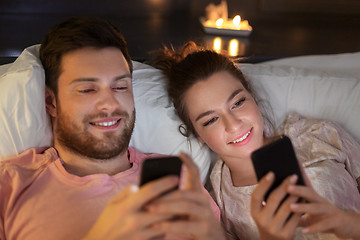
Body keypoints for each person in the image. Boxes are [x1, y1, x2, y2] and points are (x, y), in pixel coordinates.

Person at [0, 17, 226, 240]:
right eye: (87, 89)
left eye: (120, 86)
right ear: (51, 103)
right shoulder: (11, 185)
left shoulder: (179, 180)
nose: (110, 103)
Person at [150, 41, 360, 240]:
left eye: (238, 102)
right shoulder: (219, 206)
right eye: (211, 119)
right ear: (198, 135)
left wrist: (349, 223)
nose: (233, 124)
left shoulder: (319, 134)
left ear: (251, 96)